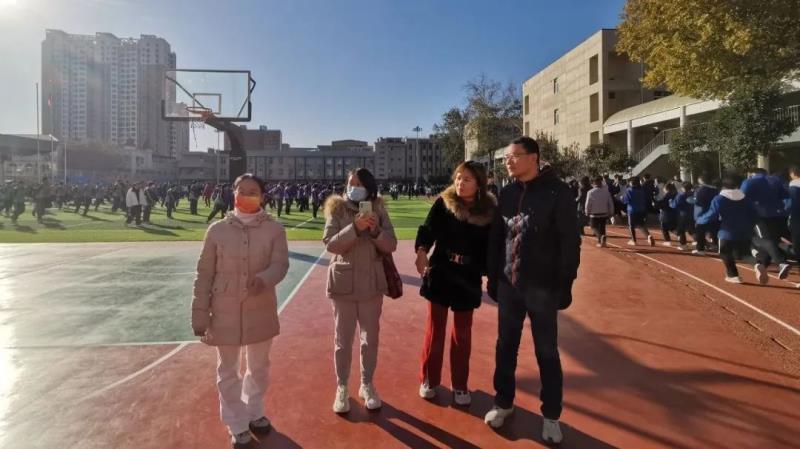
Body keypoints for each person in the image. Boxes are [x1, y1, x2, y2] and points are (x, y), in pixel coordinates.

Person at [484, 137, 581, 445]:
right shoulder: (507, 193)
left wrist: (566, 283)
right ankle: (503, 402)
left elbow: (570, 242)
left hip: (544, 288)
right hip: (509, 285)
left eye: (514, 156)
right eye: (506, 158)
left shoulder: (558, 193)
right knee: (505, 347)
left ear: (533, 158)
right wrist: (493, 276)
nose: (508, 162)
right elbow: (497, 237)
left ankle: (551, 415)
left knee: (546, 352)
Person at [191, 173, 289, 449]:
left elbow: (280, 264)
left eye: (252, 191)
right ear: (232, 193)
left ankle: (254, 411)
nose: (246, 195)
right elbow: (204, 273)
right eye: (241, 190)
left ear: (263, 196)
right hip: (224, 309)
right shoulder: (217, 230)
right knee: (228, 370)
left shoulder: (275, 229)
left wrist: (264, 279)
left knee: (259, 367)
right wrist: (200, 313)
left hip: (261, 306)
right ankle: (236, 423)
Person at [414, 161, 496, 406]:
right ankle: (429, 379)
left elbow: (492, 246)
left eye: (467, 179)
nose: (460, 182)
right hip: (441, 271)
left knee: (462, 333)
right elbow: (428, 229)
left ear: (479, 183)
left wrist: (491, 273)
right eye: (458, 177)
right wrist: (421, 251)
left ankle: (460, 385)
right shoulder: (444, 202)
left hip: (468, 276)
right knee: (435, 330)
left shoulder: (488, 211)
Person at [322, 168, 397, 414]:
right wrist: (354, 228)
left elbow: (391, 245)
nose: (354, 188)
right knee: (342, 342)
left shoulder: (379, 209)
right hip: (343, 284)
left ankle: (367, 384)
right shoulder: (337, 209)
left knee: (370, 340)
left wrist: (376, 231)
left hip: (371, 285)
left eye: (359, 184)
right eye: (351, 183)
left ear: (369, 187)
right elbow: (330, 244)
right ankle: (342, 386)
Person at [696, 175, 756, 283]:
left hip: (727, 231)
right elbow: (753, 212)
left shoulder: (719, 199)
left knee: (724, 252)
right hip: (745, 230)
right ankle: (758, 264)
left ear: (723, 186)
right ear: (738, 185)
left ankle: (733, 275)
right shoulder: (745, 198)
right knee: (743, 253)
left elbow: (712, 215)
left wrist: (700, 220)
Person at [741, 168, 791, 282]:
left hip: (759, 216)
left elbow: (741, 198)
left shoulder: (749, 182)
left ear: (753, 174)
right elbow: (785, 196)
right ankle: (761, 264)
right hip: (779, 216)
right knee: (770, 242)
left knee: (763, 240)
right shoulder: (776, 181)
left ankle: (781, 262)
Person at [624, 176, 655, 246]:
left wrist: (622, 198)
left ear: (631, 183)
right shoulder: (641, 191)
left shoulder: (629, 190)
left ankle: (633, 240)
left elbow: (626, 201)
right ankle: (648, 236)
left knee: (631, 226)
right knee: (641, 224)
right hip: (641, 209)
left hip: (632, 210)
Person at [584, 175, 615, 247]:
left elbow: (588, 203)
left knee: (593, 226)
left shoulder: (590, 192)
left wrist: (587, 211)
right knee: (602, 227)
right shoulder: (606, 192)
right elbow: (610, 202)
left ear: (593, 183)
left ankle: (600, 237)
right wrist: (611, 212)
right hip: (604, 212)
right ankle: (602, 242)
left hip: (594, 213)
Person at [693, 176, 720, 255]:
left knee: (700, 232)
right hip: (714, 214)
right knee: (714, 231)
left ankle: (700, 249)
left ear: (702, 181)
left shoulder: (701, 190)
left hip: (703, 214)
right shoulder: (716, 190)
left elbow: (698, 203)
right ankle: (716, 246)